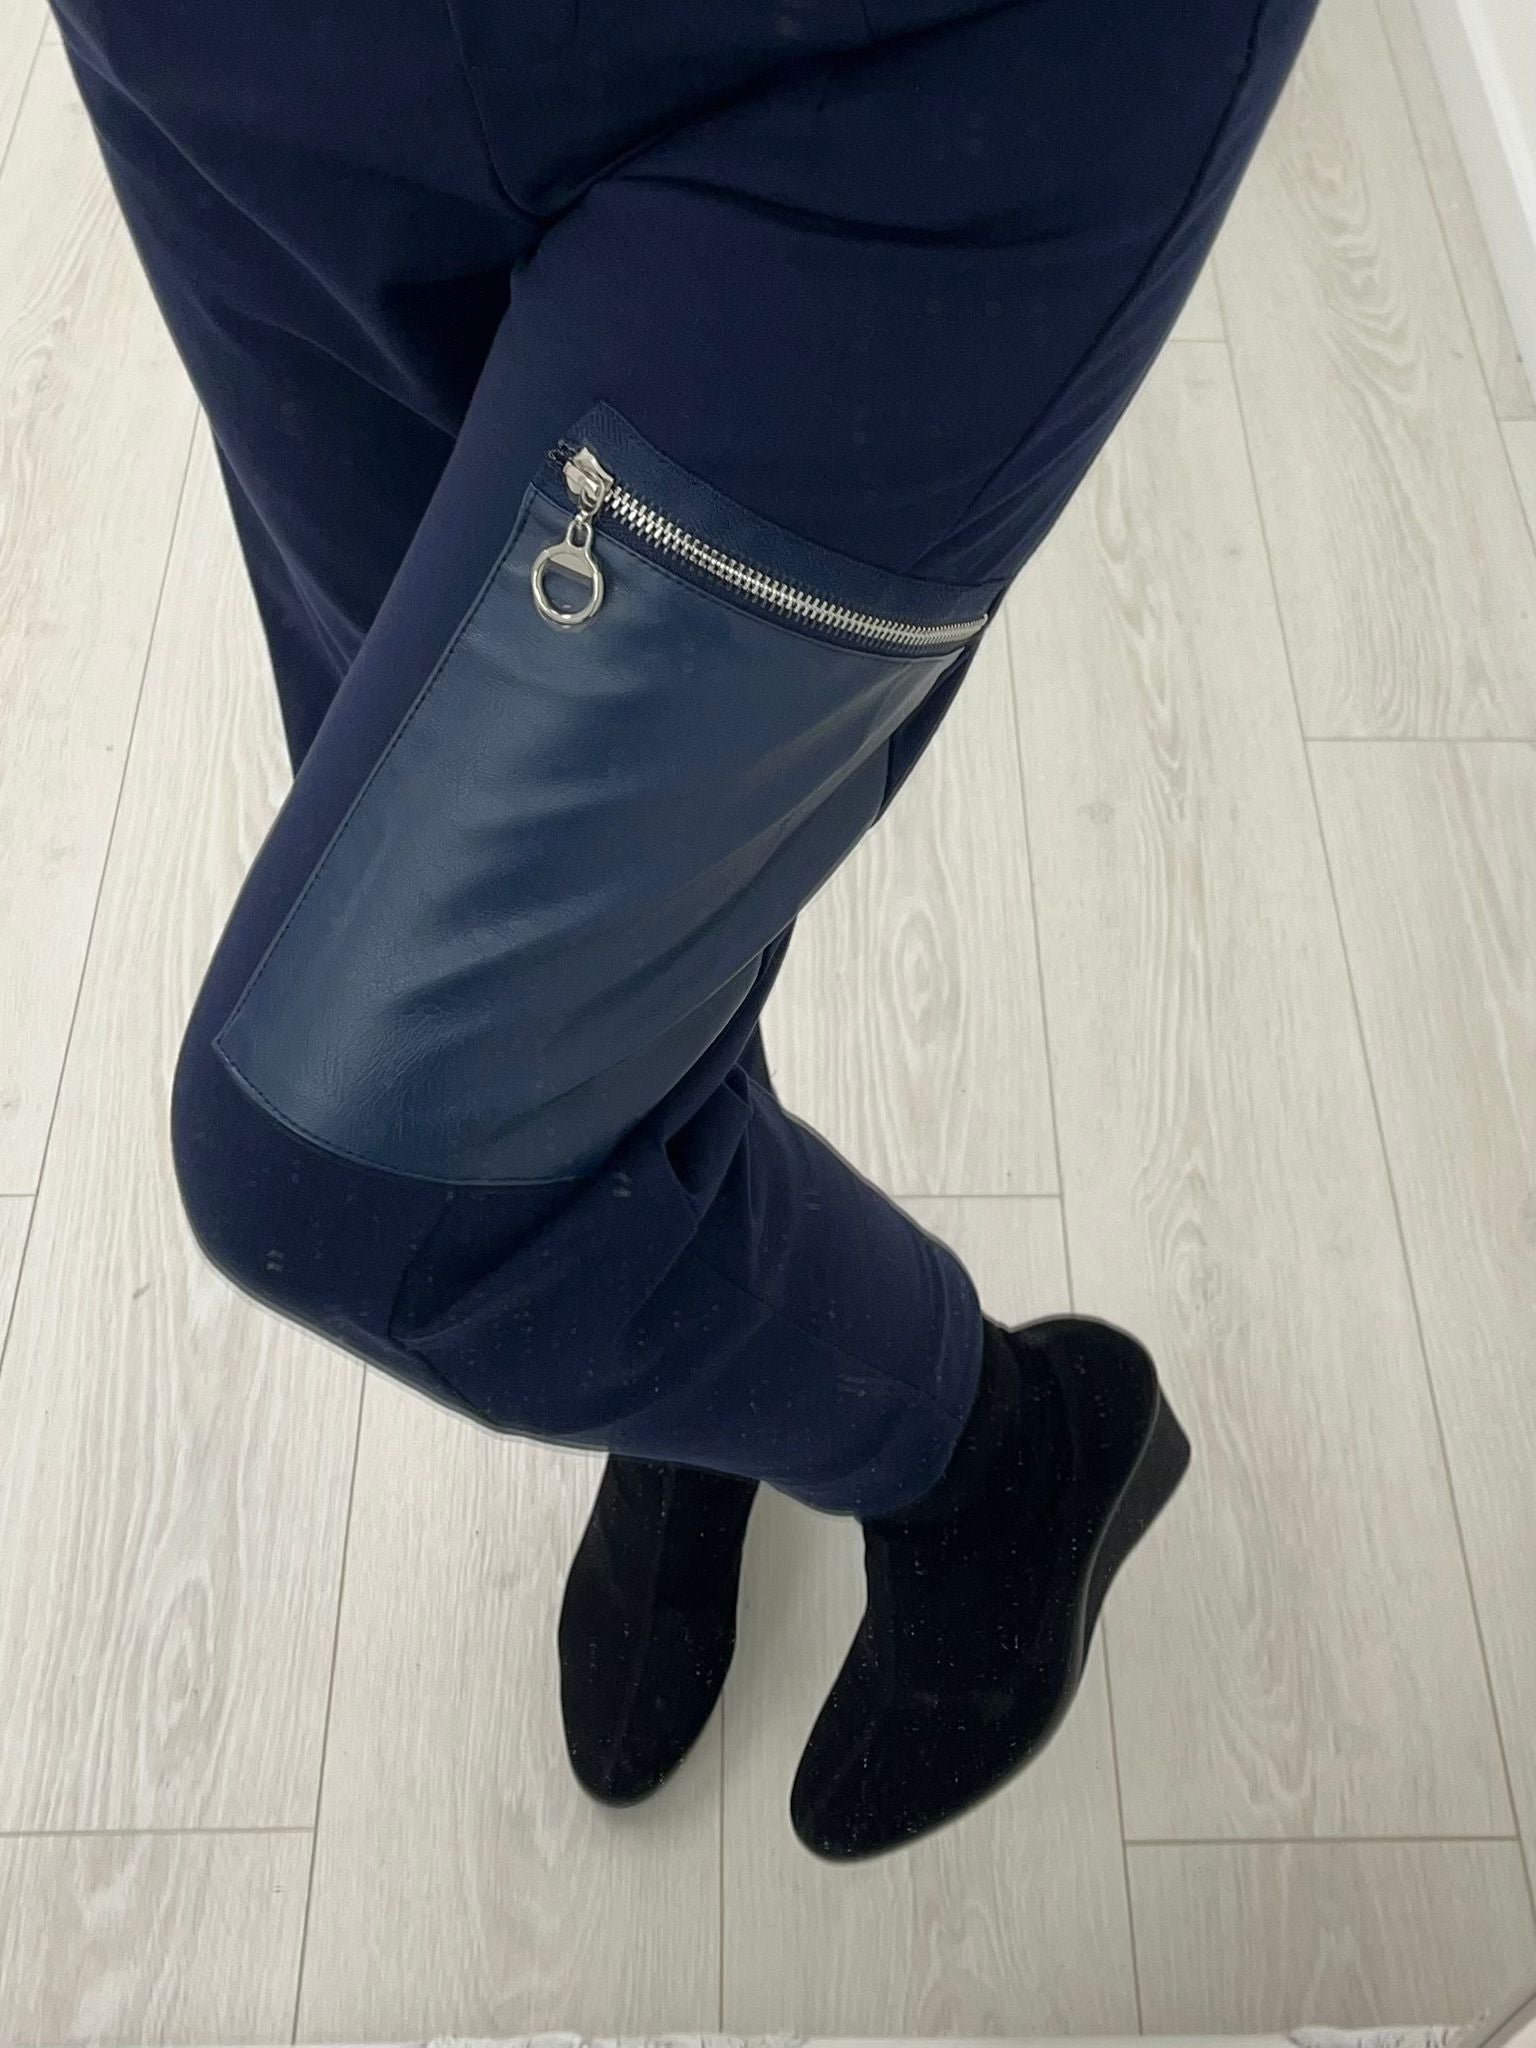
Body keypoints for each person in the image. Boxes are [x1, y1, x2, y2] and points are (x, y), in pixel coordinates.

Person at [53, 0, 1317, 1859]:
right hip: (242, 56)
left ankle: (991, 1446)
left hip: (917, 77)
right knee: (507, 885)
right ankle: (694, 1356)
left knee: (345, 1171)